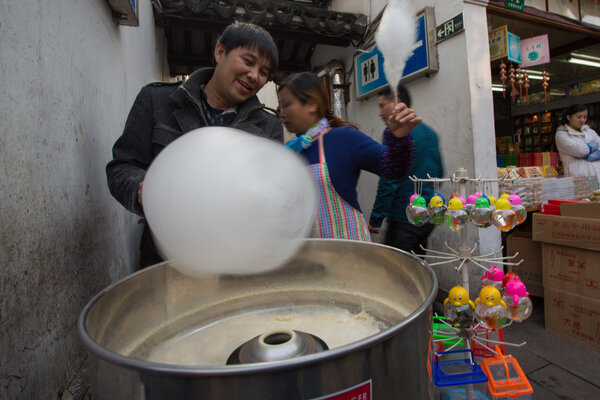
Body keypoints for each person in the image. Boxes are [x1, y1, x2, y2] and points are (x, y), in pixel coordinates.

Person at [106, 21, 282, 269]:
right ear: (220, 52)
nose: (254, 76)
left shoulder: (268, 127)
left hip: (238, 264)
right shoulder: (157, 101)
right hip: (166, 262)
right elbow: (122, 167)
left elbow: (272, 196)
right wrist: (142, 188)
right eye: (248, 61)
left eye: (264, 72)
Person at [277, 71, 419, 241]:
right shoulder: (291, 151)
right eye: (280, 107)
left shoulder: (344, 138)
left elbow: (394, 168)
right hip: (310, 254)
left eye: (287, 105)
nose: (282, 113)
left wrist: (398, 139)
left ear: (311, 104)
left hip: (350, 253)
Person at [368, 84, 443, 254]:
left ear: (397, 103)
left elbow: (389, 179)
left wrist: (376, 218)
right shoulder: (430, 133)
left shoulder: (395, 135)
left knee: (395, 271)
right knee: (416, 267)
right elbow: (439, 172)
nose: (380, 113)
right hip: (428, 215)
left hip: (404, 217)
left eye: (382, 106)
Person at [555, 104, 600, 186]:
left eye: (585, 117)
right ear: (569, 117)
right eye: (579, 117)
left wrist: (596, 151)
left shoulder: (589, 131)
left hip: (596, 174)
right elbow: (580, 151)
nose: (582, 120)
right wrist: (592, 147)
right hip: (577, 176)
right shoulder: (562, 135)